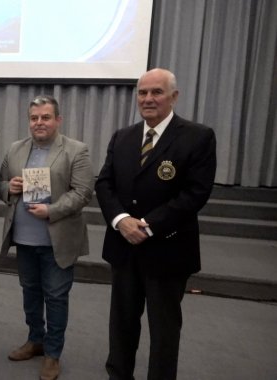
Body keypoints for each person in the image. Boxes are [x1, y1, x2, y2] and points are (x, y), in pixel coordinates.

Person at [95, 68, 216, 379]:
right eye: (143, 93)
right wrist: (122, 221)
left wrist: (147, 225)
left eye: (156, 92)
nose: (148, 99)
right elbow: (105, 184)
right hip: (124, 248)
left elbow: (196, 193)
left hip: (168, 250)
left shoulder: (198, 137)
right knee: (121, 324)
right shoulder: (123, 136)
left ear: (173, 97)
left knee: (164, 331)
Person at [0, 95, 94, 380]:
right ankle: (35, 340)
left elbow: (83, 193)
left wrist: (51, 210)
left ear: (58, 120)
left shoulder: (76, 150)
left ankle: (53, 354)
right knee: (30, 295)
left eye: (45, 117)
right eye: (34, 118)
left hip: (57, 240)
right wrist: (10, 187)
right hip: (24, 239)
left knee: (55, 298)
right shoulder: (16, 149)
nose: (39, 123)